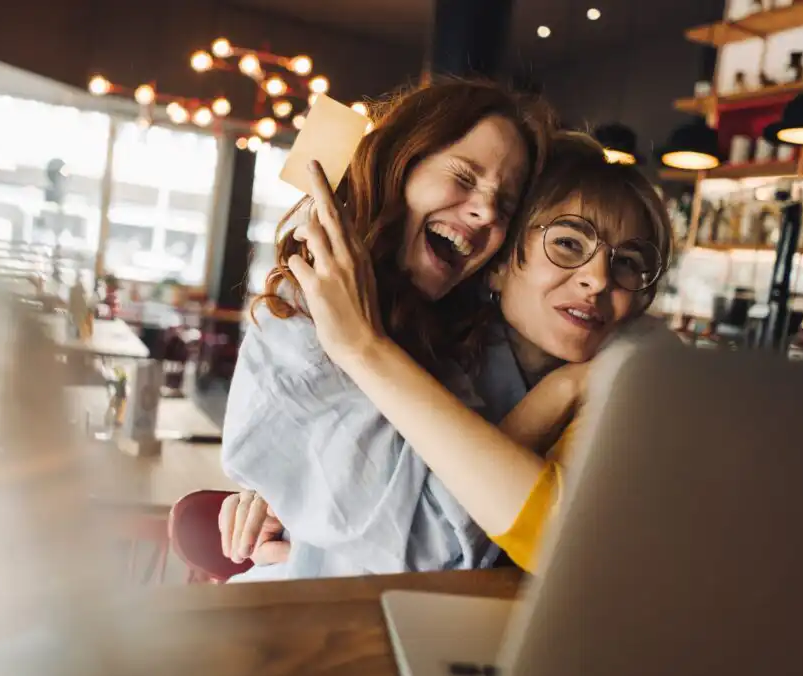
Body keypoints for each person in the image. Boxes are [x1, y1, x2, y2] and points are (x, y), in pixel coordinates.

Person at [237, 131, 674, 573]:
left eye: (627, 263)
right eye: (568, 243)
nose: (598, 279)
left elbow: (570, 552)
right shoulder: (433, 358)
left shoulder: (633, 403)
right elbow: (388, 520)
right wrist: (294, 495)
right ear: (498, 264)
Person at [218, 79, 556, 581]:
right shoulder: (300, 313)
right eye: (463, 177)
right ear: (398, 167)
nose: (486, 212)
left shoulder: (468, 332)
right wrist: (562, 393)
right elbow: (430, 548)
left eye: (504, 206)